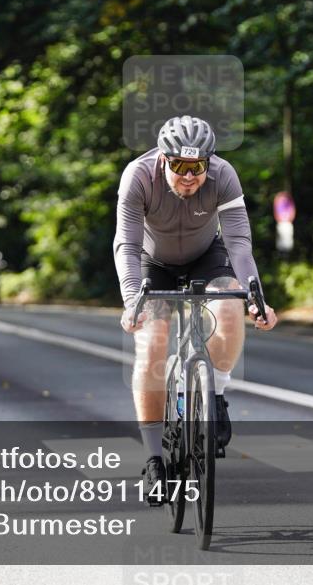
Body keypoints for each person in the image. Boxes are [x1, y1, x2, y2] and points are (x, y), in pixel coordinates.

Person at [113, 115, 278, 503]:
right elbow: (127, 244)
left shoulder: (224, 176)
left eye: (198, 167)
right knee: (152, 343)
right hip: (154, 262)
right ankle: (155, 459)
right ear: (163, 160)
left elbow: (239, 244)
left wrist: (257, 297)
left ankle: (216, 395)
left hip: (207, 256)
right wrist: (132, 299)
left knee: (231, 306)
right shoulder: (138, 176)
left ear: (209, 162)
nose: (189, 176)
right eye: (180, 166)